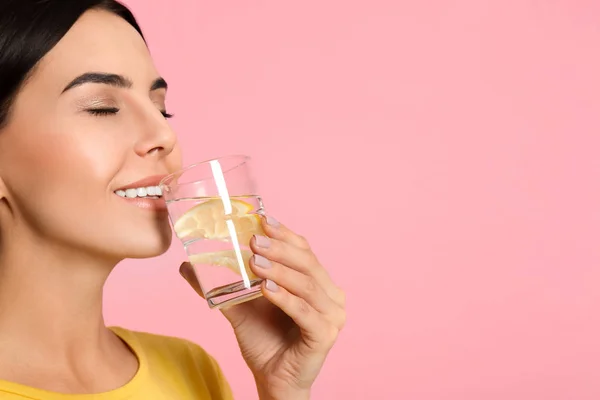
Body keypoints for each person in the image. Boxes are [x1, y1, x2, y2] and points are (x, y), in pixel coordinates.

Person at [0, 0, 346, 399]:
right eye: (102, 108)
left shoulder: (189, 369)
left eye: (161, 110)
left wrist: (282, 389)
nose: (164, 136)